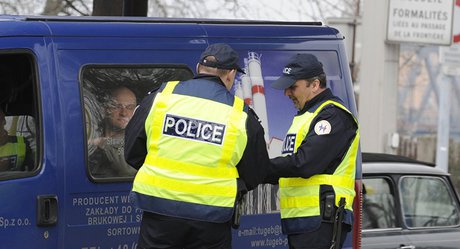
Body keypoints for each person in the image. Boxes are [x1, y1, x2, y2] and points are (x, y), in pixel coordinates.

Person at [124, 43, 270, 249]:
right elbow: (256, 172)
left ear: (198, 67)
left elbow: (132, 151)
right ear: (230, 74)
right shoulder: (240, 114)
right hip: (211, 219)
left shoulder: (162, 98)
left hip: (160, 212)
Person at [266, 54, 360, 249]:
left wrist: (260, 167)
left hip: (321, 219)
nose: (287, 93)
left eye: (293, 87)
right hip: (305, 220)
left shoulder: (333, 115)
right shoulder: (307, 115)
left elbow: (305, 163)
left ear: (315, 84)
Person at [89, 86, 138, 177]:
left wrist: (102, 143)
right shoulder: (92, 130)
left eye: (130, 108)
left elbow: (128, 170)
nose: (124, 113)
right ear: (106, 109)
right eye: (117, 106)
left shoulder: (135, 140)